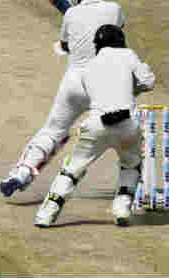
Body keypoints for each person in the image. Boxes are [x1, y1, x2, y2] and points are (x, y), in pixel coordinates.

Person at [0, 0, 126, 197]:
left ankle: (21, 173)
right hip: (104, 84)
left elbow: (65, 45)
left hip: (74, 83)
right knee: (125, 130)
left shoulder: (71, 15)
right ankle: (134, 183)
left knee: (53, 131)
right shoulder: (114, 9)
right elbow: (112, 32)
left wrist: (75, 18)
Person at [34, 24, 155, 227]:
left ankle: (46, 214)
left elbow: (99, 93)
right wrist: (134, 89)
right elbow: (148, 82)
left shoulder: (88, 67)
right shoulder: (128, 55)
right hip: (126, 124)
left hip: (97, 124)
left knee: (72, 170)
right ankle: (122, 209)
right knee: (131, 164)